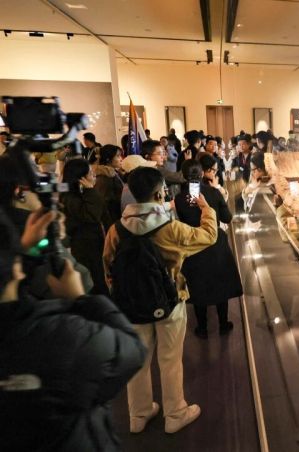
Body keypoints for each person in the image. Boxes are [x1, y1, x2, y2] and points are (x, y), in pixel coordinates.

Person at [0, 208, 146, 451]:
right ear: (16, 269)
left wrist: (23, 253)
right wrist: (80, 299)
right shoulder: (60, 337)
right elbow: (132, 349)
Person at [103, 167, 217, 434]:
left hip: (130, 305)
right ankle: (175, 414)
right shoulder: (171, 228)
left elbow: (108, 268)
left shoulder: (116, 230)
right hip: (170, 302)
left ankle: (139, 414)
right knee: (169, 359)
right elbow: (209, 235)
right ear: (159, 194)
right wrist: (206, 208)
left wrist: (124, 295)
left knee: (138, 360)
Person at [175, 159, 241, 338]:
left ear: (183, 176)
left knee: (198, 285)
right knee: (220, 282)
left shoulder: (179, 198)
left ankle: (202, 328)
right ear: (202, 173)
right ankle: (223, 324)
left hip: (193, 243)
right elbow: (227, 218)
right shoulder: (213, 192)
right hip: (215, 242)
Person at [60, 158, 108, 296]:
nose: (94, 175)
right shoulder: (70, 197)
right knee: (96, 279)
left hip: (92, 242)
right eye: (90, 173)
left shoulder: (80, 193)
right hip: (85, 245)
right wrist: (90, 190)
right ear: (81, 178)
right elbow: (92, 215)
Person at [93, 144, 125, 229]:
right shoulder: (103, 177)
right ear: (108, 159)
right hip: (112, 220)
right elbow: (104, 202)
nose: (121, 159)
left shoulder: (114, 173)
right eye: (118, 156)